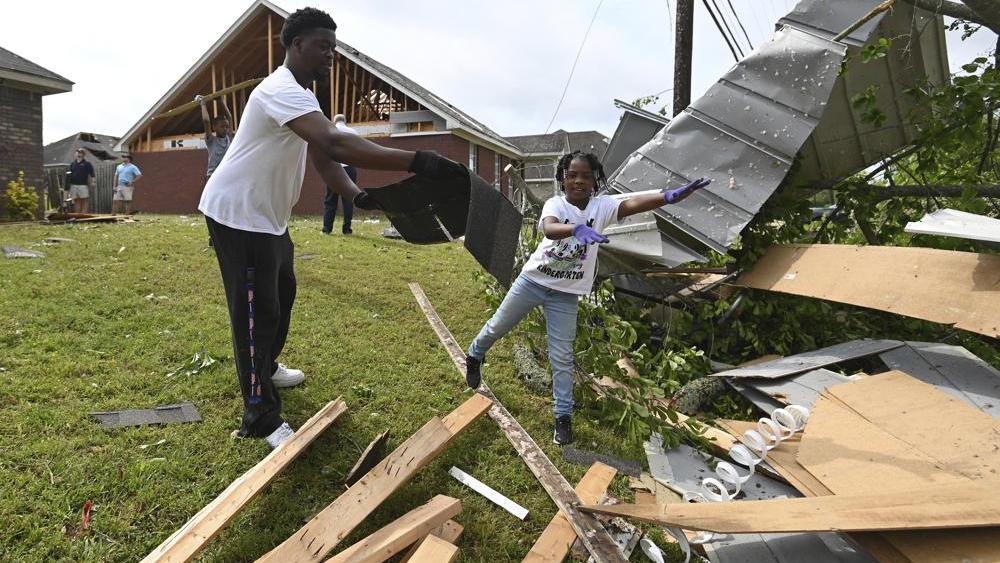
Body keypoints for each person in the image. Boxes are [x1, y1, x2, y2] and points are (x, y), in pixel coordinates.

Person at [197, 7, 464, 449]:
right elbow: (336, 142)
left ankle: (267, 366)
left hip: (268, 218)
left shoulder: (304, 100)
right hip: (237, 214)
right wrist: (420, 160)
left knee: (283, 292)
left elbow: (325, 159)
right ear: (296, 45)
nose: (330, 56)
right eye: (323, 46)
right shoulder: (278, 89)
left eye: (334, 48)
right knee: (253, 312)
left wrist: (357, 197)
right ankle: (259, 415)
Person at [464, 151, 710, 445]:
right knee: (497, 326)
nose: (578, 181)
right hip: (534, 280)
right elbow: (550, 228)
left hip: (566, 294)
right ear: (563, 179)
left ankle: (563, 417)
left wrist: (667, 197)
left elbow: (632, 203)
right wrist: (576, 229)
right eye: (572, 175)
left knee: (562, 356)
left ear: (594, 180)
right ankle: (475, 355)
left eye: (585, 176)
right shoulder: (556, 203)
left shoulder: (602, 206)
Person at [322, 114, 357, 235]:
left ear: (334, 121)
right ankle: (347, 229)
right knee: (349, 198)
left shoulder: (329, 131)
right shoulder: (353, 132)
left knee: (331, 199)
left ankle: (327, 228)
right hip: (349, 167)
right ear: (345, 121)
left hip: (333, 169)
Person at [198, 95, 235, 179]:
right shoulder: (211, 140)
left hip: (226, 174)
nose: (225, 129)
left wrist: (221, 101)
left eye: (226, 126)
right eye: (222, 126)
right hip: (212, 176)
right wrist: (203, 104)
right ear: (214, 127)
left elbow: (229, 117)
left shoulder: (229, 137)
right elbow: (206, 121)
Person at [66, 148, 95, 213]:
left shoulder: (87, 163)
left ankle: (84, 215)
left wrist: (93, 182)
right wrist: (68, 185)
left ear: (83, 154)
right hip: (73, 185)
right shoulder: (72, 164)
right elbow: (69, 175)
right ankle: (78, 216)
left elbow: (92, 173)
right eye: (78, 152)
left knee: (85, 200)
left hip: (83, 185)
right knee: (76, 200)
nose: (79, 153)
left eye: (80, 152)